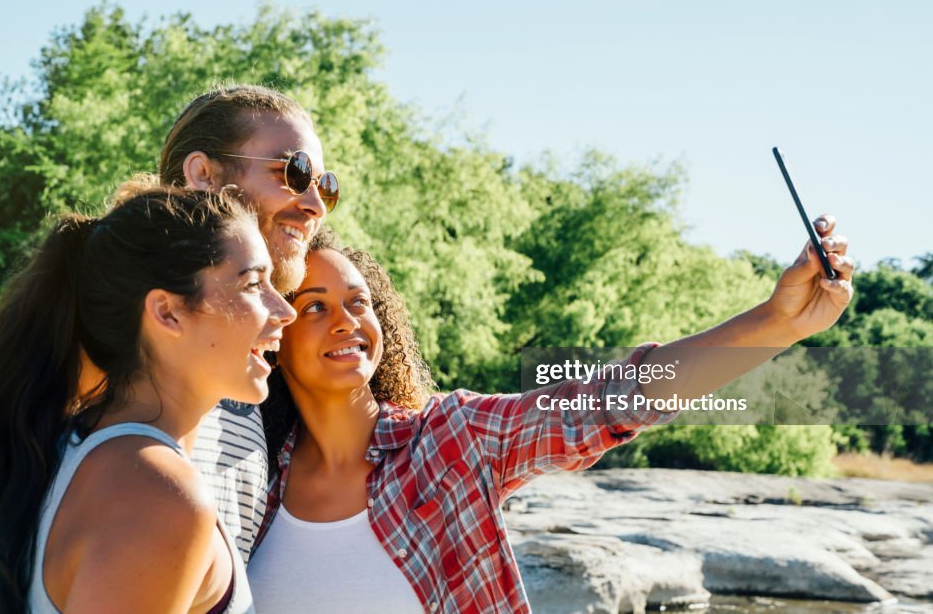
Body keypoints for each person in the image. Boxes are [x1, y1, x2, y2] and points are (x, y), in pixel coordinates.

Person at [248, 222, 854, 614]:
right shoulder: (250, 478)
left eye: (359, 303)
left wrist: (778, 323)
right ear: (274, 328)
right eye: (315, 307)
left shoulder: (449, 441)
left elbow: (616, 399)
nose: (347, 321)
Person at [0, 84, 334, 605]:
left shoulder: (262, 363)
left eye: (326, 185)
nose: (315, 204)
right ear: (203, 174)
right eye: (293, 172)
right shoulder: (100, 341)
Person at [0, 183, 295, 613]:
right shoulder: (157, 497)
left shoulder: (62, 448)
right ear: (167, 312)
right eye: (253, 284)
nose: (284, 310)